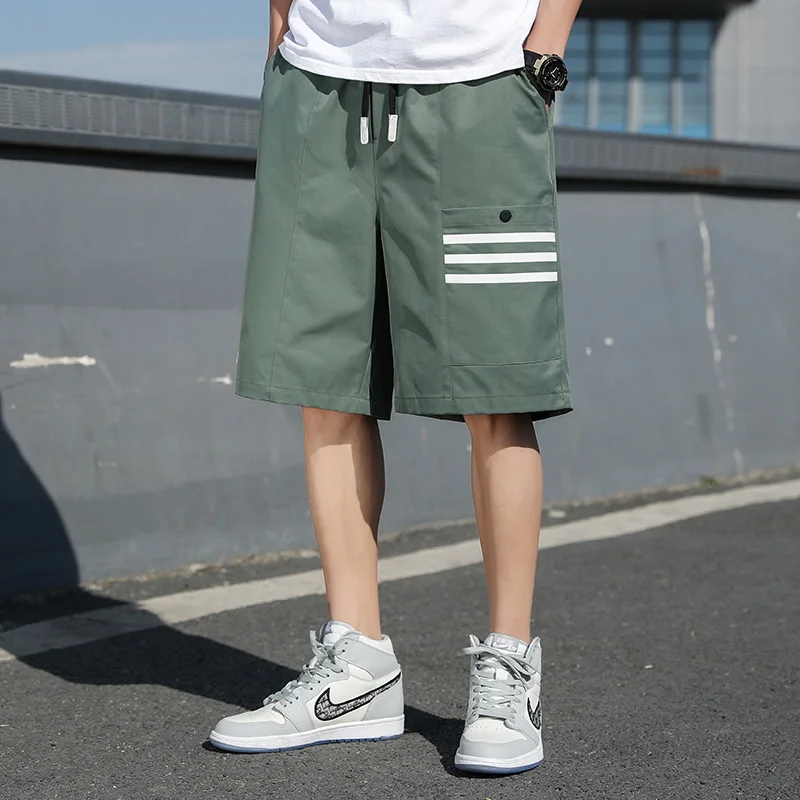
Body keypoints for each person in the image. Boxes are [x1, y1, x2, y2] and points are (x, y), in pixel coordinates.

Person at [210, 0, 581, 775]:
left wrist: (544, 50)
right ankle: (358, 668)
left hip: (481, 79)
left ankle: (510, 669)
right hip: (320, 79)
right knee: (325, 382)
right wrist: (281, 32)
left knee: (495, 387)